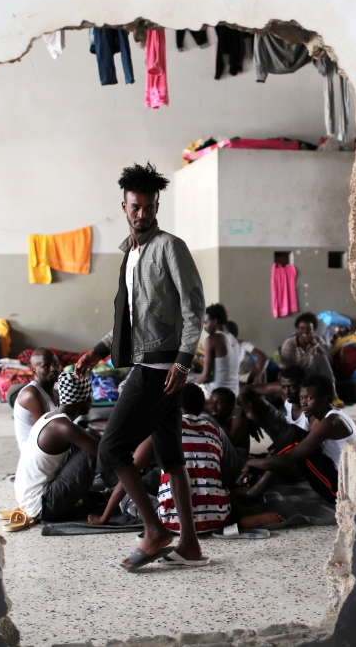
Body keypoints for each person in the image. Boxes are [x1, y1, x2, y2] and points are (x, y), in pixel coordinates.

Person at [74, 162, 207, 571]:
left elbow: (193, 306)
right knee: (171, 457)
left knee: (111, 448)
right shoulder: (129, 254)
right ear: (124, 206)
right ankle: (189, 543)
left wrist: (183, 363)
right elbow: (132, 318)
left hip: (160, 370)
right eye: (136, 207)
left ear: (156, 206)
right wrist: (99, 348)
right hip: (151, 364)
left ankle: (155, 530)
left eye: (150, 208)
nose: (143, 214)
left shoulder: (170, 246)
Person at [90, 384, 238, 531]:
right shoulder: (212, 428)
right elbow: (223, 479)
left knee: (128, 492)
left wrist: (104, 518)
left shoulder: (164, 425)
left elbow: (130, 474)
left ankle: (108, 495)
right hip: (219, 518)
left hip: (173, 522)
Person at [240, 373, 356, 503]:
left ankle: (255, 491)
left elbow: (287, 460)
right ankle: (256, 483)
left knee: (294, 439)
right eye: (302, 398)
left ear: (325, 399)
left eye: (309, 398)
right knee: (293, 435)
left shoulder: (331, 422)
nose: (303, 403)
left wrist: (250, 463)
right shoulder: (329, 417)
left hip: (340, 491)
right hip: (339, 479)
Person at [9, 372, 98, 529]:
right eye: (90, 396)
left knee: (88, 439)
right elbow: (104, 453)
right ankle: (127, 498)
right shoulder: (64, 427)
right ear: (82, 401)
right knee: (92, 451)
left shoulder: (51, 417)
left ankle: (99, 496)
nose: (92, 400)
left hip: (29, 499)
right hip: (42, 506)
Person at [279, 312, 340, 403]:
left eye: (309, 328)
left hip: (313, 374)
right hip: (297, 376)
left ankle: (334, 396)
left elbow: (330, 361)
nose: (305, 331)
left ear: (313, 330)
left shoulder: (318, 340)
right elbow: (284, 369)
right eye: (302, 328)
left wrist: (315, 345)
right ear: (297, 329)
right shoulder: (289, 344)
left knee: (322, 357)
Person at [12, 348, 61, 448]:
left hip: (50, 448)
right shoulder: (32, 394)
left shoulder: (55, 391)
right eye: (46, 366)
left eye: (55, 363)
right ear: (34, 371)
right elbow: (48, 432)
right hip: (37, 455)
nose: (54, 368)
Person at [191, 303, 240, 397]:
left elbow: (206, 376)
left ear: (214, 321)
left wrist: (188, 383)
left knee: (183, 389)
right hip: (234, 392)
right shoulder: (234, 339)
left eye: (205, 323)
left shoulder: (213, 339)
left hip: (216, 392)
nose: (204, 326)